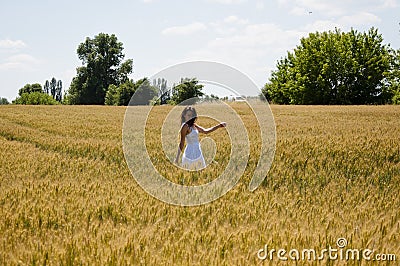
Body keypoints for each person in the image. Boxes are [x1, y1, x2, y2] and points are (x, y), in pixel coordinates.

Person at [174, 106, 226, 170]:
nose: (190, 117)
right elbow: (182, 143)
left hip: (198, 151)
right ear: (184, 115)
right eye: (188, 115)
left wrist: (219, 125)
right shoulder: (185, 126)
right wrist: (177, 158)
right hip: (190, 152)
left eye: (191, 115)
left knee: (200, 171)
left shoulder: (193, 125)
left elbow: (205, 131)